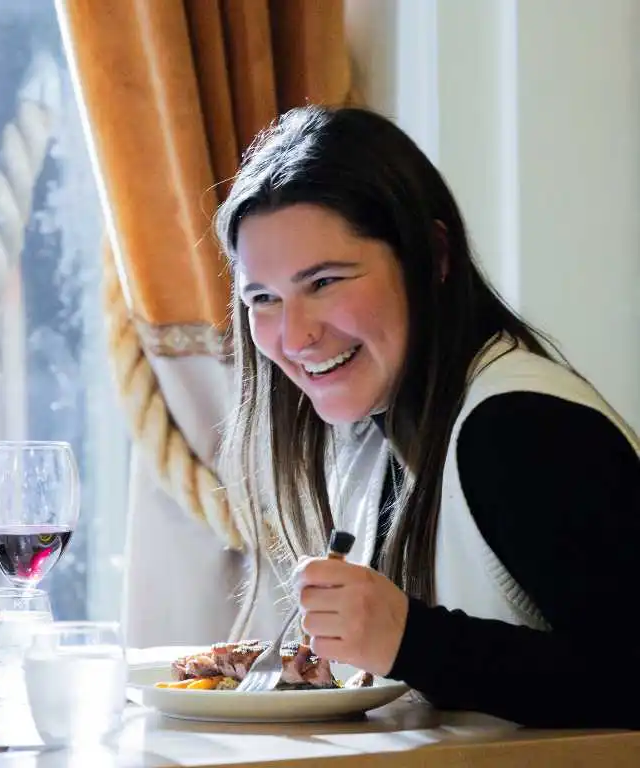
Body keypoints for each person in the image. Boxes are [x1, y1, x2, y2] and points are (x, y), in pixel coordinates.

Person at [216, 105, 640, 728]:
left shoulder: (520, 429)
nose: (295, 335)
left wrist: (412, 640)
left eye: (325, 281)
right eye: (264, 298)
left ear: (434, 256)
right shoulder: (374, 431)